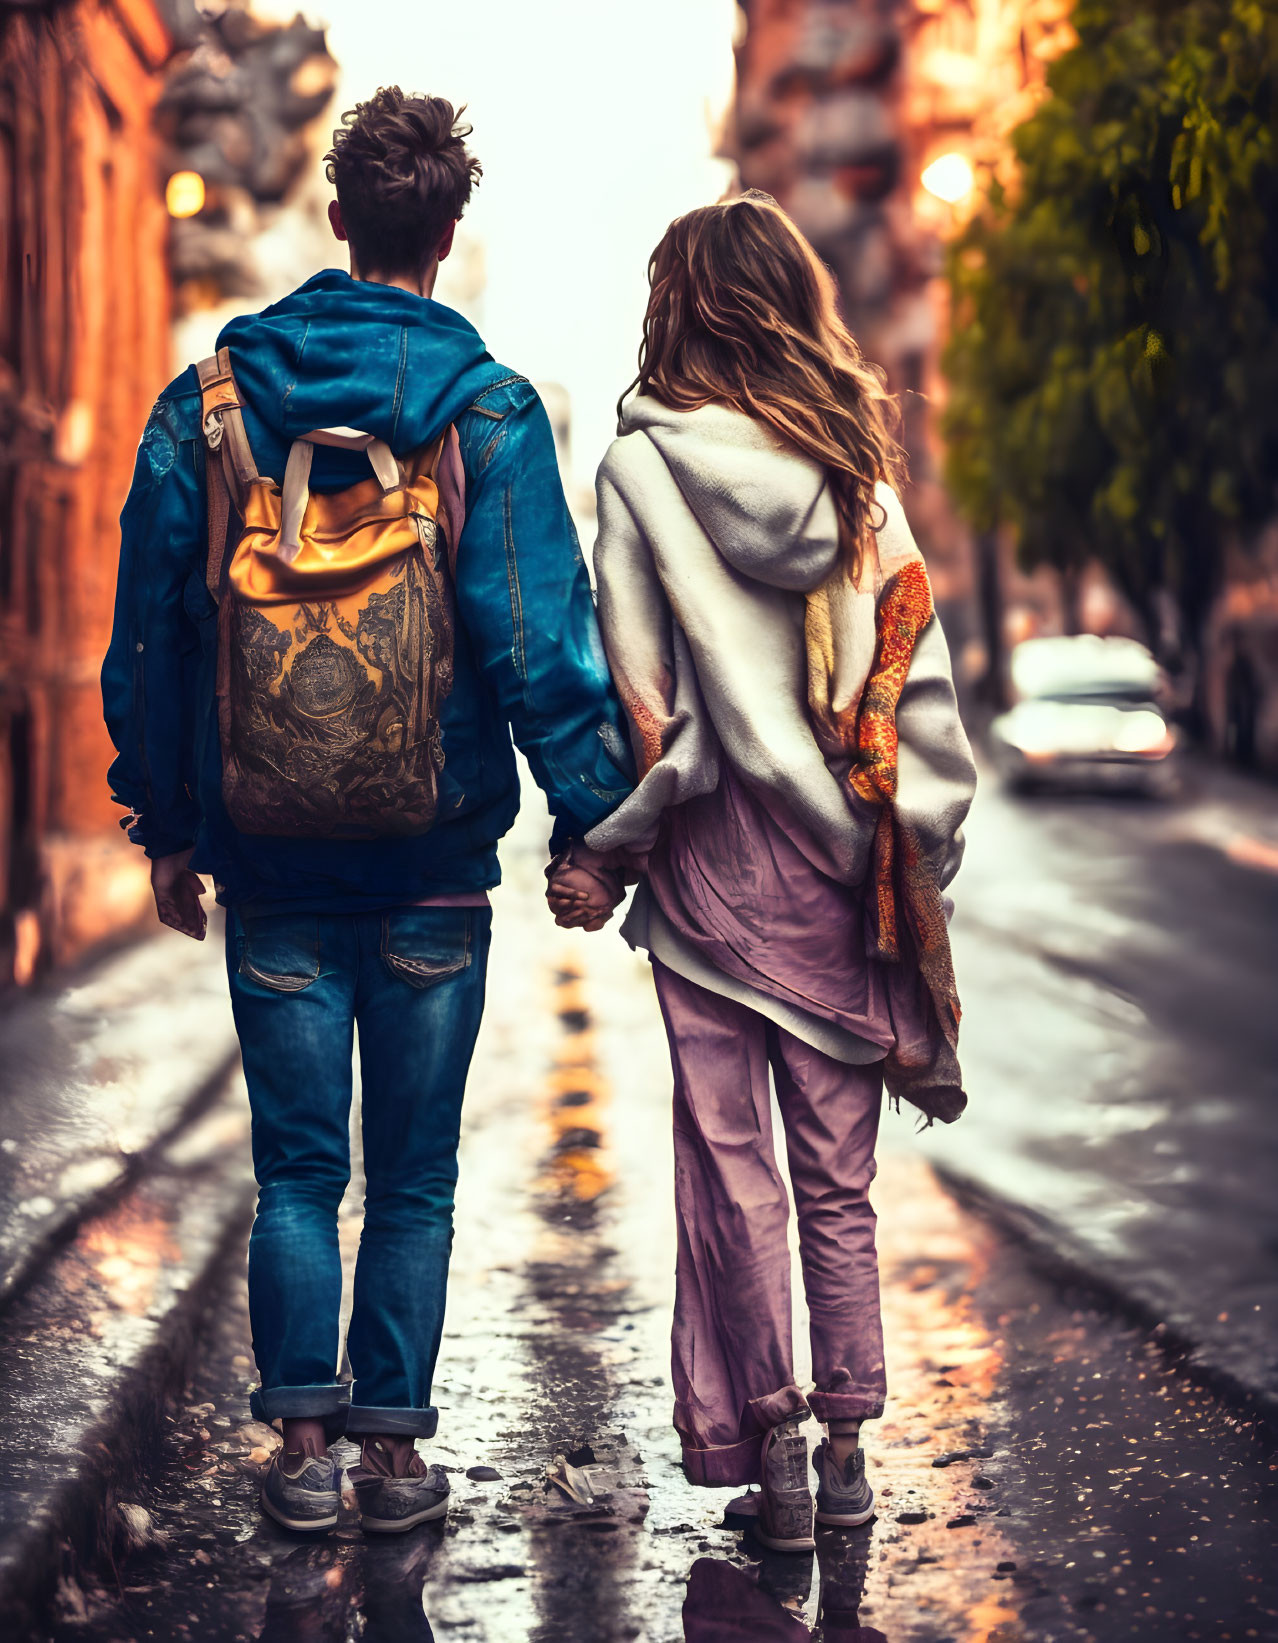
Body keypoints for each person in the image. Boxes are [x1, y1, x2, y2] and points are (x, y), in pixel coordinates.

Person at [103, 88, 632, 1536]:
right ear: (446, 234)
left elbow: (152, 626)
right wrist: (595, 823)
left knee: (293, 1167)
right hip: (431, 867)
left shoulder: (211, 397)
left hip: (268, 857)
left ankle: (301, 1459)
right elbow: (536, 642)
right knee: (408, 1178)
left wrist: (165, 822)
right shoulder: (488, 409)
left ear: (338, 220)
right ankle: (393, 1459)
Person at [547, 192, 977, 1552]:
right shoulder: (860, 484)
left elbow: (645, 713)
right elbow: (921, 702)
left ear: (677, 311)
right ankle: (850, 1455)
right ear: (792, 308)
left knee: (729, 1171)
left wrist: (609, 848)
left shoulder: (637, 472)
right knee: (836, 1183)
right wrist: (900, 859)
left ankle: (776, 1471)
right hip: (837, 882)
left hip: (709, 887)